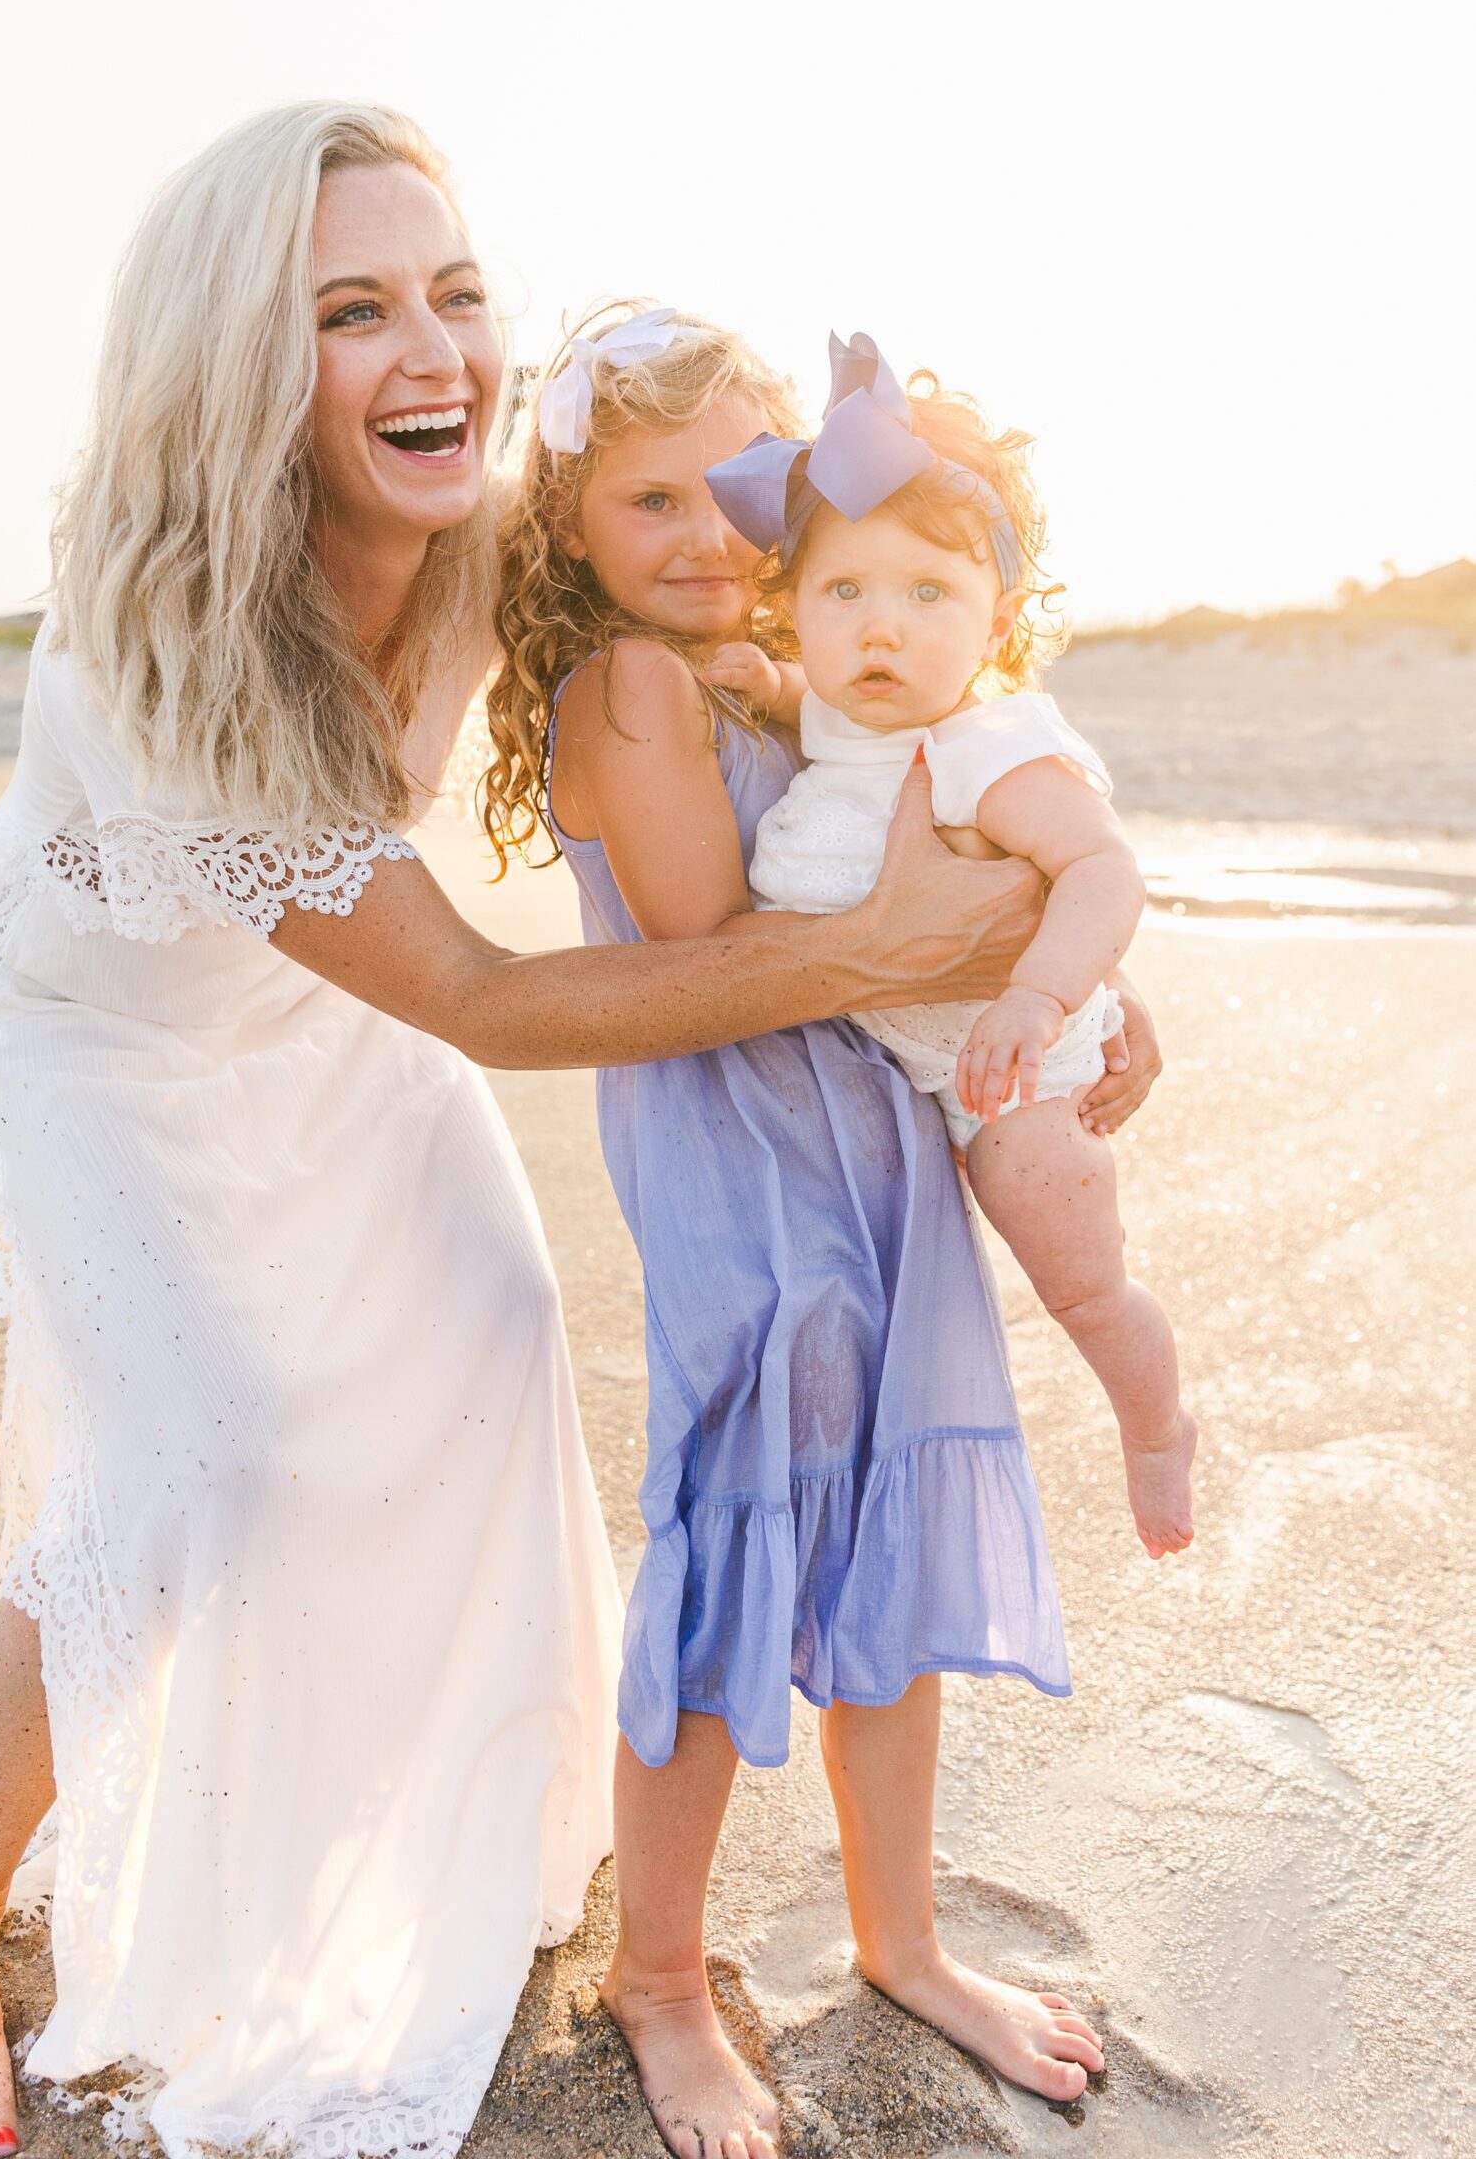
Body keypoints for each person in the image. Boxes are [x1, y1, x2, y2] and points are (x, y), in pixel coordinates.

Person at [0, 111, 1062, 2159]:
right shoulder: (190, 634)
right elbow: (495, 1003)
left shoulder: (492, 524)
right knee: (198, 1450)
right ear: (239, 362)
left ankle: (443, 1794)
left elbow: (733, 543)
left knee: (496, 1338)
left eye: (453, 292)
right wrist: (878, 943)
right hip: (96, 1034)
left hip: (336, 1012)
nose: (432, 350)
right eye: (350, 311)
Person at [485, 306, 1157, 2159]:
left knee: (880, 1534)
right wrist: (953, 916)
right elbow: (722, 948)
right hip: (744, 1154)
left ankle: (902, 1936)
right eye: (646, 503)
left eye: (735, 493)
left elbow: (980, 832)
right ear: (570, 536)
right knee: (737, 1524)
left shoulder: (795, 674)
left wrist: (1068, 974)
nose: (704, 536)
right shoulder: (633, 687)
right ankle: (665, 1980)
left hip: (879, 1141)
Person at [717, 334, 1196, 1561]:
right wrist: (743, 676)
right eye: (846, 594)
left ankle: (1154, 1424)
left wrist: (1041, 1002)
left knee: (1076, 1276)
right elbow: (798, 693)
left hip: (1008, 1077)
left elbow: (1101, 868)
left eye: (929, 595)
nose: (884, 630)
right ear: (799, 608)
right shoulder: (832, 706)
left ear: (995, 619)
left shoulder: (991, 746)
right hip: (890, 1064)